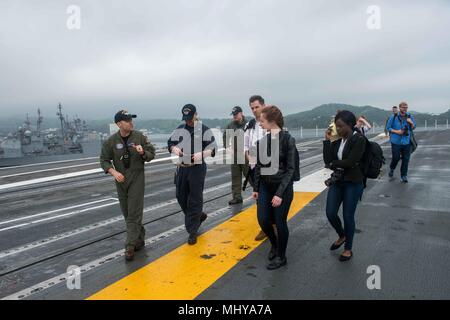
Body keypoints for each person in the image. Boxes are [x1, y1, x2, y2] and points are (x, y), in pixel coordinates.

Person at [100, 109, 155, 261]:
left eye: (131, 119)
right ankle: (139, 238)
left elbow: (151, 154)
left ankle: (129, 246)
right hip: (121, 180)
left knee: (133, 214)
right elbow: (104, 160)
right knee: (128, 214)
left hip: (137, 178)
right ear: (119, 124)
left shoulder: (139, 137)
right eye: (127, 120)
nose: (131, 122)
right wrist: (113, 172)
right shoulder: (111, 141)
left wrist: (143, 152)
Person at [252, 106, 297, 270]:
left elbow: (291, 169)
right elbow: (258, 166)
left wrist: (279, 194)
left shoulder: (288, 140)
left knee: (279, 221)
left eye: (262, 121)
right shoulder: (263, 141)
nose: (260, 123)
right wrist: (256, 188)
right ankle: (274, 243)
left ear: (272, 121)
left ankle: (281, 256)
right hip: (265, 186)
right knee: (263, 220)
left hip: (282, 188)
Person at [168, 104, 217, 245]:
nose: (188, 121)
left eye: (190, 118)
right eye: (185, 118)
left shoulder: (204, 129)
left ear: (196, 115)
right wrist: (174, 148)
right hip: (182, 167)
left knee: (194, 199)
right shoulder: (180, 129)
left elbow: (213, 148)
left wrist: (202, 154)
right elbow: (170, 143)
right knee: (180, 196)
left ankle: (192, 231)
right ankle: (198, 216)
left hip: (197, 168)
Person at [323, 110, 366, 262]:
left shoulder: (359, 139)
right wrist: (327, 140)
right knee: (330, 213)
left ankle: (348, 248)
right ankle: (342, 235)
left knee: (348, 215)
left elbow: (351, 162)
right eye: (337, 126)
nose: (338, 129)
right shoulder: (337, 140)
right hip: (338, 181)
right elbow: (327, 161)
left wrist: (334, 163)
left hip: (353, 182)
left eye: (341, 126)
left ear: (350, 125)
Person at [243, 95, 270, 241]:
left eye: (256, 107)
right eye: (252, 108)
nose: (254, 110)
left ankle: (274, 225)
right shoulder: (250, 125)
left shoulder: (272, 121)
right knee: (260, 198)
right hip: (255, 168)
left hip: (270, 167)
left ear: (263, 105)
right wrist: (249, 157)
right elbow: (245, 145)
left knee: (272, 197)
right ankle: (265, 227)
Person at [223, 106, 249, 205]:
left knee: (250, 175)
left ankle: (259, 193)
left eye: (236, 114)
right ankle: (237, 197)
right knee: (235, 176)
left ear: (241, 113)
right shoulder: (231, 125)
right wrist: (227, 147)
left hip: (246, 154)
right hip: (235, 154)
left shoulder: (248, 124)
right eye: (233, 115)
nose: (234, 116)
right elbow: (225, 135)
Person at [385, 102, 416, 183]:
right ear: (400, 108)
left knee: (406, 159)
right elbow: (388, 127)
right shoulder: (394, 116)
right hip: (396, 141)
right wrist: (397, 131)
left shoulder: (409, 116)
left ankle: (404, 175)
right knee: (396, 158)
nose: (405, 109)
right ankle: (392, 168)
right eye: (403, 107)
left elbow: (414, 127)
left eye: (406, 107)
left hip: (406, 141)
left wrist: (411, 123)